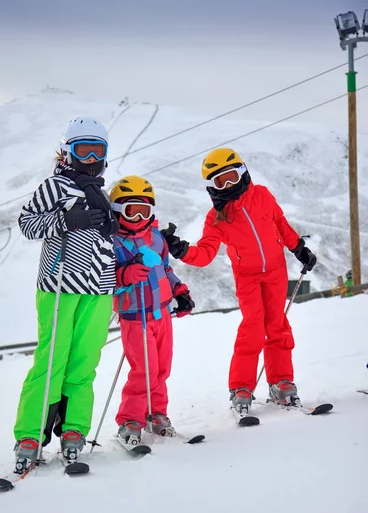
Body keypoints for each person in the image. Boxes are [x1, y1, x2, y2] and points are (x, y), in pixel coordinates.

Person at [161, 148, 317, 417]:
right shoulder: (217, 218)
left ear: (243, 172)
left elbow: (281, 224)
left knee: (277, 325)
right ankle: (241, 388)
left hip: (276, 272)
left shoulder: (263, 196)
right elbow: (205, 254)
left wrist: (299, 248)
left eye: (231, 177)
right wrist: (181, 249)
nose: (228, 185)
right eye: (220, 182)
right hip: (247, 277)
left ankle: (281, 382)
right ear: (212, 187)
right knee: (253, 328)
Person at [14, 116, 118, 472]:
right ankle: (30, 434)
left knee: (84, 361)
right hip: (59, 285)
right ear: (66, 152)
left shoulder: (102, 193)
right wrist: (63, 219)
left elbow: (106, 240)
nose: (90, 158)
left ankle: (74, 430)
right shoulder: (54, 186)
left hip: (99, 287)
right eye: (82, 150)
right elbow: (27, 224)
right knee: (51, 358)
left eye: (97, 150)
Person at [109, 175, 195, 444]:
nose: (138, 218)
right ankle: (129, 420)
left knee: (161, 370)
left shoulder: (156, 238)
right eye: (131, 211)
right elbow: (103, 278)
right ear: (116, 210)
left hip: (162, 315)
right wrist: (124, 275)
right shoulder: (111, 242)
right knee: (143, 371)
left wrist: (179, 290)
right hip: (135, 317)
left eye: (144, 211)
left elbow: (165, 269)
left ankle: (156, 414)